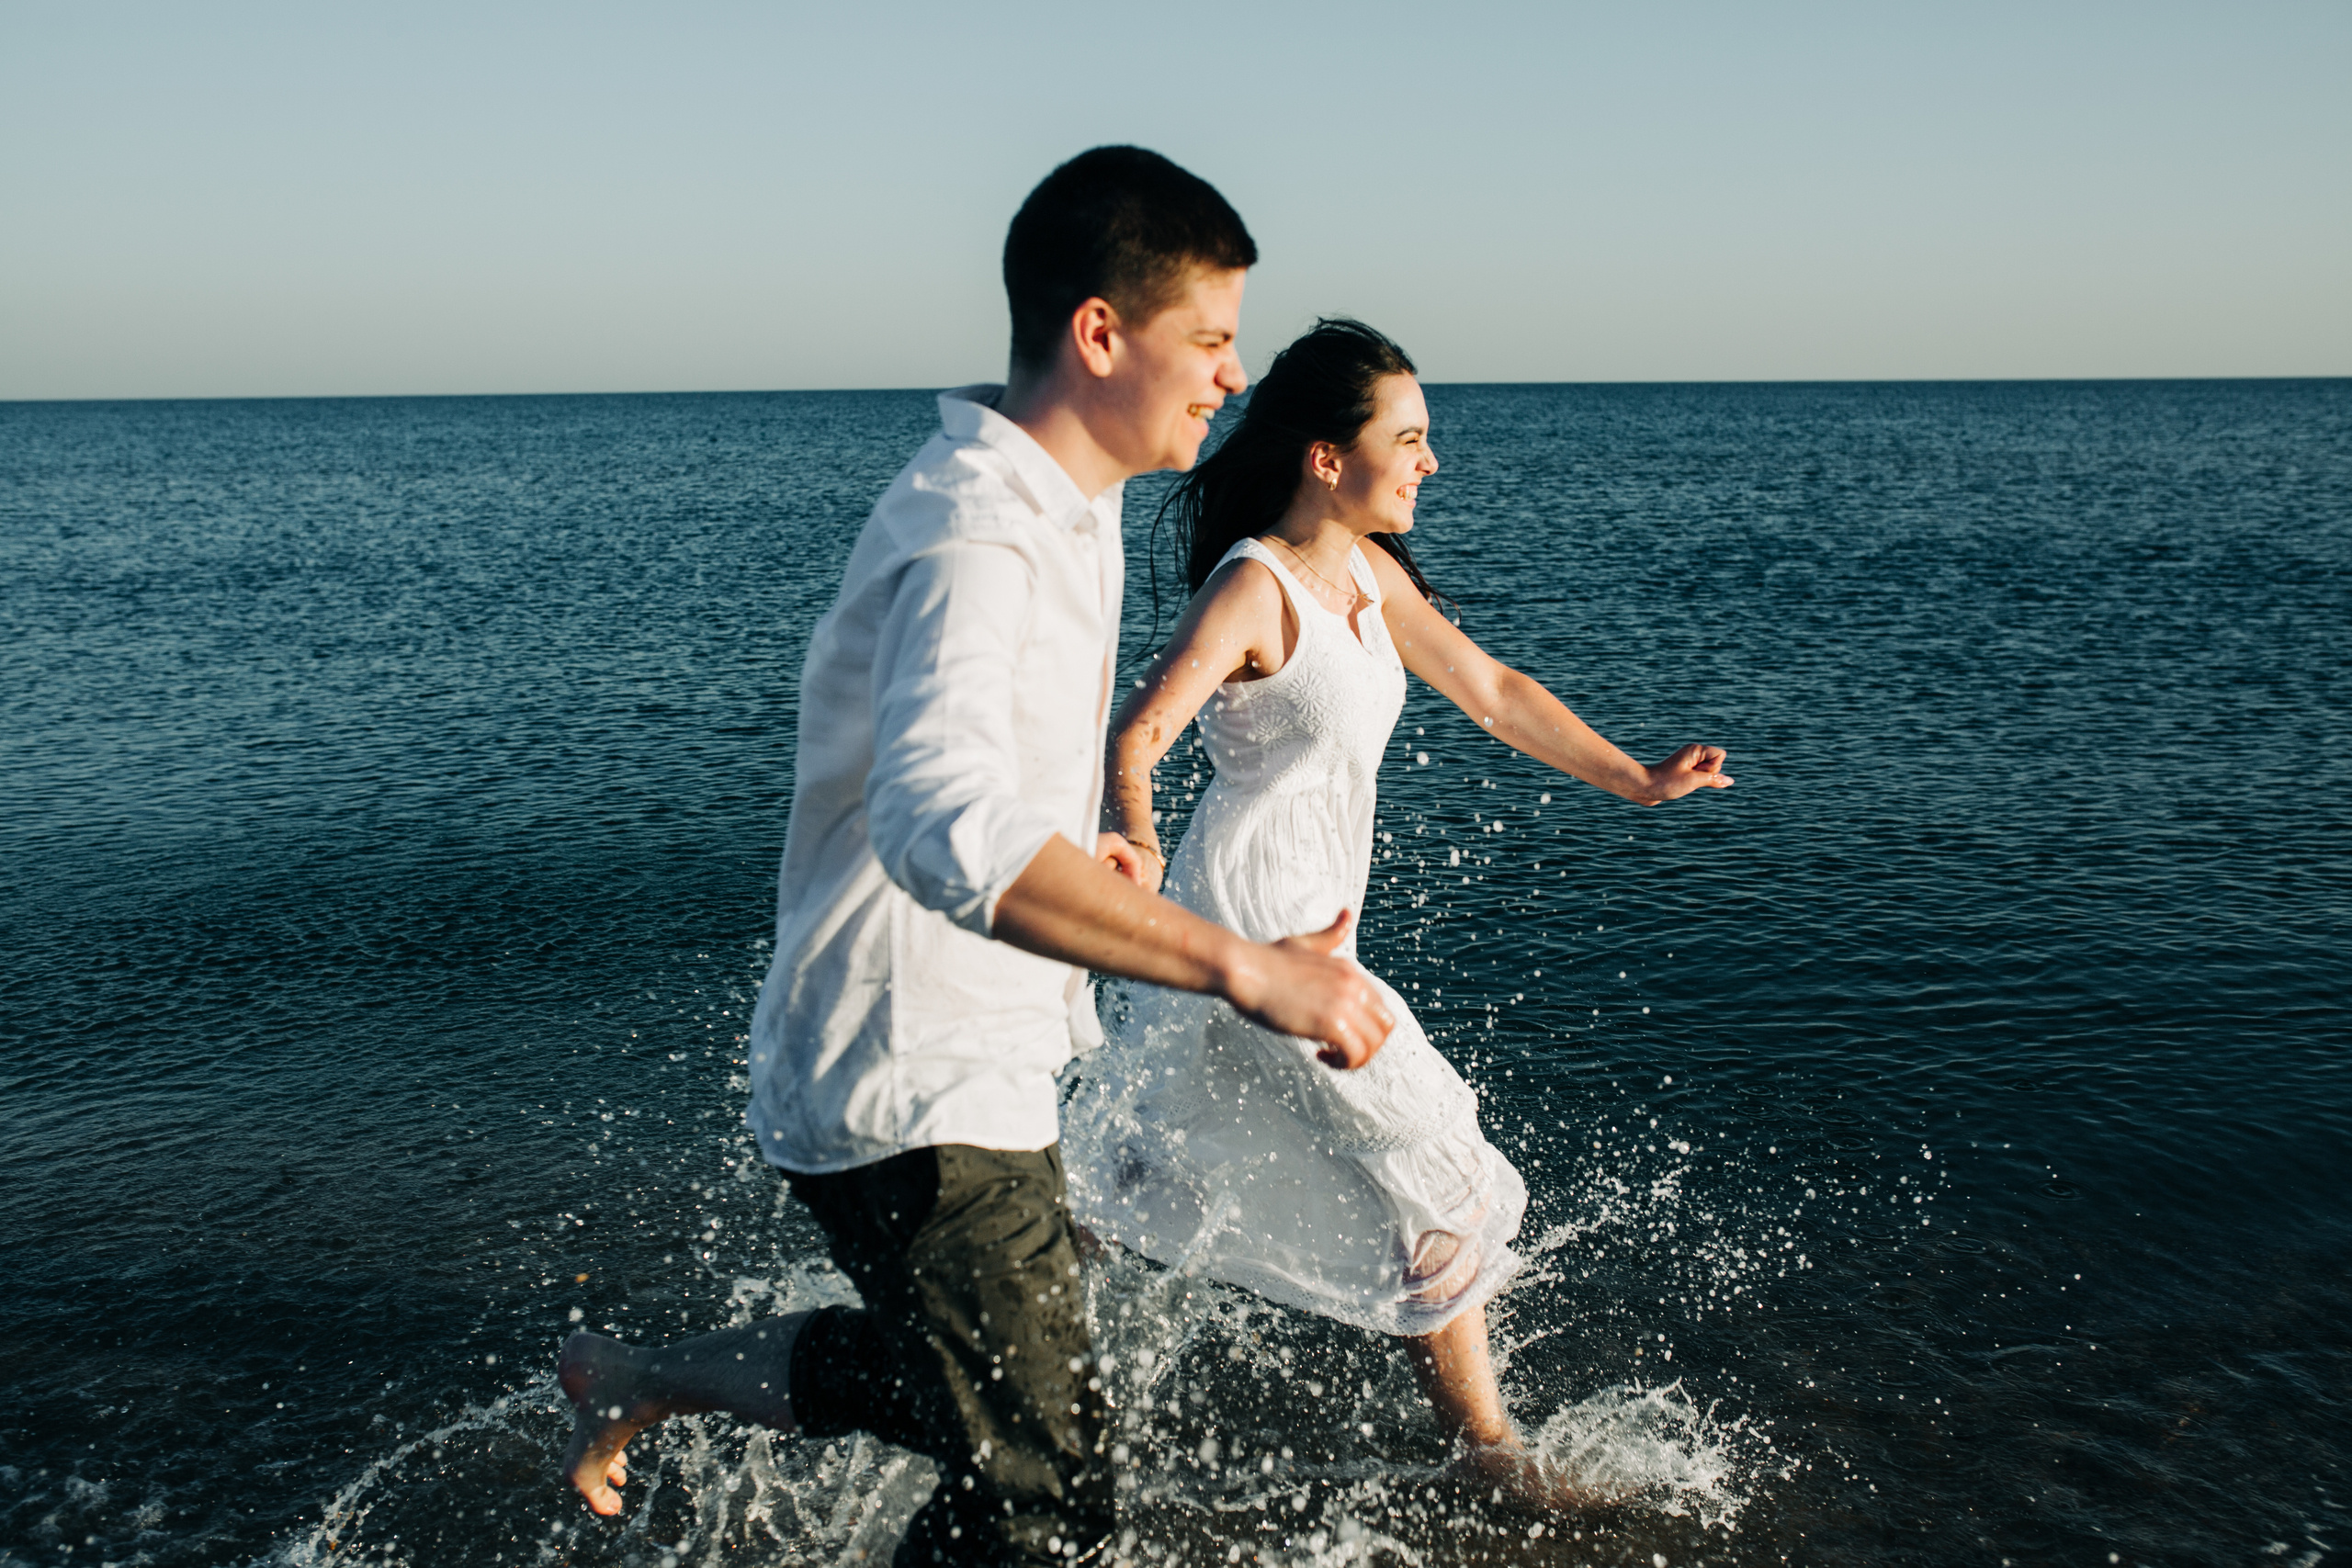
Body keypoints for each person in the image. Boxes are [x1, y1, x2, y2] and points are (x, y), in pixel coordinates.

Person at [551, 152, 1399, 1566]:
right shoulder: (977, 528)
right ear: (1099, 334)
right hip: (911, 1076)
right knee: (1050, 1504)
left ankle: (644, 1377)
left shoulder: (1071, 506)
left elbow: (981, 791)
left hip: (971, 1056)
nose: (1232, 377)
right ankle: (650, 1379)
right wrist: (1243, 968)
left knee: (970, 1401)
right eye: (1207, 342)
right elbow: (939, 822)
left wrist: (1091, 852)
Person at [1062, 318, 1732, 1508]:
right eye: (1409, 438)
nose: (1431, 462)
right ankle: (1492, 1459)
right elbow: (1141, 731)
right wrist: (1136, 834)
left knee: (1147, 1168)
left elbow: (1494, 690)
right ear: (1328, 457)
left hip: (1307, 936)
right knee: (1421, 1149)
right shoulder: (1256, 584)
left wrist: (1633, 778)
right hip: (1254, 929)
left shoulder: (1366, 576)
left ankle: (982, 1312)